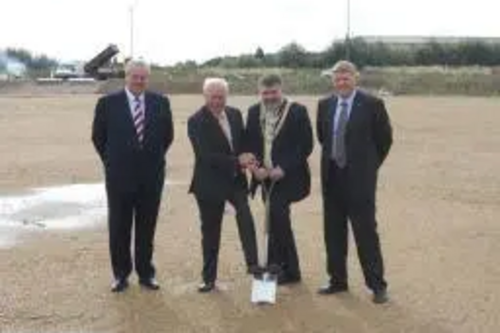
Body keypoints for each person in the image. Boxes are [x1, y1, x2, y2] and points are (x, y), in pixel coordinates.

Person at [91, 60, 174, 293]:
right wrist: (113, 162)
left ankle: (146, 274)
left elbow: (167, 137)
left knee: (147, 228)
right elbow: (99, 138)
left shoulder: (161, 102)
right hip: (119, 178)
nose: (139, 81)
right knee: (119, 227)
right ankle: (120, 275)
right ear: (126, 77)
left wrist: (149, 159)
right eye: (135, 76)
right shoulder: (107, 104)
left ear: (148, 78)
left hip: (151, 177)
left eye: (143, 77)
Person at [316, 60, 393, 304]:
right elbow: (323, 137)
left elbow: (384, 140)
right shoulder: (325, 105)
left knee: (366, 233)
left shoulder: (372, 104)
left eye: (346, 77)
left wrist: (368, 167)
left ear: (355, 78)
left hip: (359, 182)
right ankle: (337, 280)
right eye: (337, 78)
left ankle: (377, 285)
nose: (342, 82)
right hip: (333, 179)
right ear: (333, 81)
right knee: (333, 233)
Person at [187, 78, 259, 293]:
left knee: (246, 219)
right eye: (213, 97)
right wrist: (237, 161)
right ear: (205, 96)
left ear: (226, 97)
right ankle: (208, 278)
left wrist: (248, 156)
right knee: (210, 232)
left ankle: (253, 265)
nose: (217, 101)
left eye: (221, 97)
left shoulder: (235, 114)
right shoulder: (196, 121)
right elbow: (206, 156)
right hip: (209, 184)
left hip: (235, 181)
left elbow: (243, 142)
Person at [245, 74, 313, 285]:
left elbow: (305, 145)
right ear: (260, 92)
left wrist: (283, 168)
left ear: (281, 90)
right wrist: (255, 168)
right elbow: (251, 144)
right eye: (265, 92)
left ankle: (290, 270)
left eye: (273, 92)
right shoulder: (254, 111)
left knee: (278, 218)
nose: (269, 96)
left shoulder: (297, 111)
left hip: (288, 177)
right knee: (273, 219)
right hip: (265, 178)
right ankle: (277, 266)